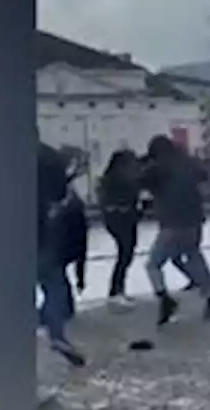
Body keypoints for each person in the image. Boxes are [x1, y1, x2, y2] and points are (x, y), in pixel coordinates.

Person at [139, 135, 210, 326]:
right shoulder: (187, 163)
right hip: (194, 221)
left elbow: (140, 181)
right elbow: (204, 175)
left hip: (171, 222)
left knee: (153, 264)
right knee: (194, 256)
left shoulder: (157, 168)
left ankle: (164, 299)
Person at [36, 142, 87, 367]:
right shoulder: (48, 156)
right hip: (39, 232)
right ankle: (57, 335)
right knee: (53, 284)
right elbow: (58, 194)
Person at [96, 148, 143, 308]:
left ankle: (118, 290)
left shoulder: (126, 177)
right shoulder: (114, 179)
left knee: (127, 254)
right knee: (125, 254)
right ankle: (115, 291)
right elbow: (107, 200)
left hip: (128, 218)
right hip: (119, 219)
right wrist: (119, 208)